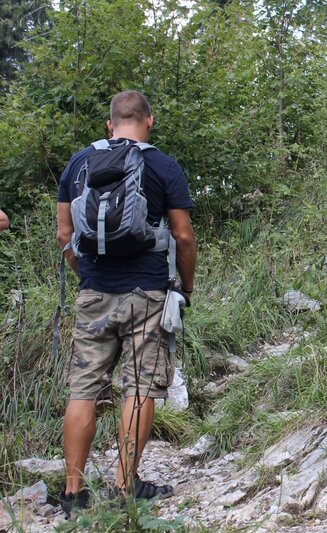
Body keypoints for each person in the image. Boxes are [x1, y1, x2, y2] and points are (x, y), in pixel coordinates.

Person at [55, 90, 197, 516]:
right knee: (140, 388)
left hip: (94, 291)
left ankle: (73, 493)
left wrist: (87, 278)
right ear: (149, 121)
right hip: (147, 293)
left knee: (82, 390)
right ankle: (122, 484)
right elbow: (184, 236)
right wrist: (185, 287)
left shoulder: (79, 163)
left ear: (109, 124)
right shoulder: (162, 165)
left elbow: (65, 235)